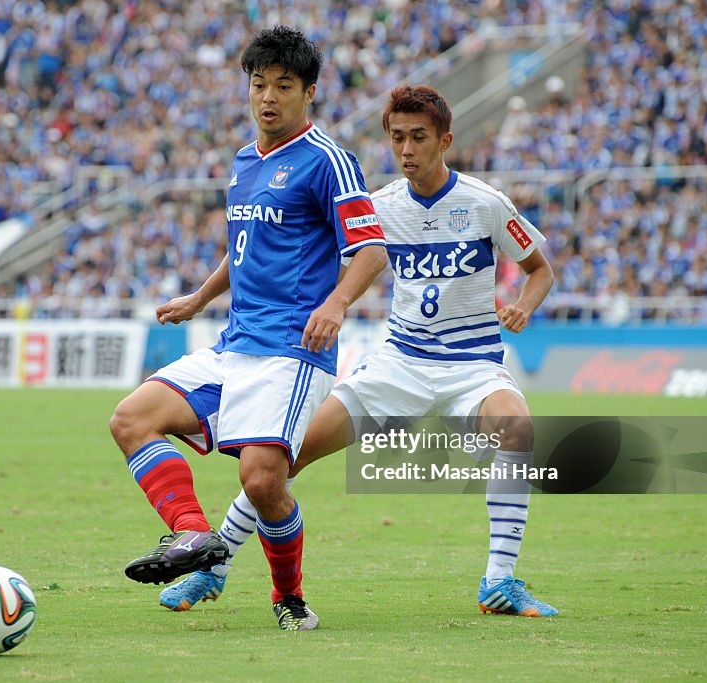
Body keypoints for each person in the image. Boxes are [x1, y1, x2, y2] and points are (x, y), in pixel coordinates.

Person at [159, 84, 559, 618]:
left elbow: (540, 270)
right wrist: (212, 297)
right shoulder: (381, 206)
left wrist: (523, 307)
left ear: (446, 141)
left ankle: (499, 582)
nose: (407, 150)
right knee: (284, 457)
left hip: (472, 367)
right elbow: (317, 251)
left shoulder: (485, 204)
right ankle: (214, 569)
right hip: (400, 364)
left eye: (419, 138)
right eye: (397, 138)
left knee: (517, 428)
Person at [109, 26, 388, 632]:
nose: (267, 97)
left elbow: (370, 251)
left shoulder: (328, 161)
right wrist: (199, 297)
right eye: (259, 84)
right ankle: (193, 537)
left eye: (283, 86)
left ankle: (288, 599)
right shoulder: (242, 162)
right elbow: (244, 249)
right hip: (233, 344)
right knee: (131, 418)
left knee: (262, 481)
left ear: (308, 93)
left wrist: (337, 304)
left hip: (292, 349)